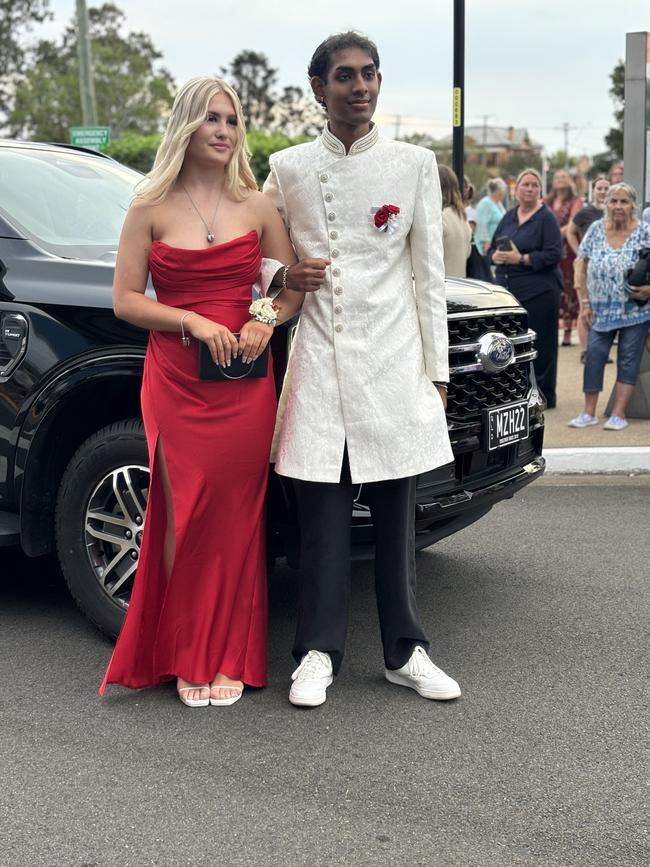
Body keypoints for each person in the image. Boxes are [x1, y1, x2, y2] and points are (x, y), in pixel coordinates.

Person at [99, 75, 311, 707]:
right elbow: (125, 301)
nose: (223, 131)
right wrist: (190, 320)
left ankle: (229, 656)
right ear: (186, 127)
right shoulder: (148, 208)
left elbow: (290, 289)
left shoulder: (258, 206)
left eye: (232, 120)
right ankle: (187, 651)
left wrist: (259, 321)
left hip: (244, 380)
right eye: (211, 119)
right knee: (181, 513)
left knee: (237, 516)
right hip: (174, 379)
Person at [264, 31, 461, 708]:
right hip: (318, 366)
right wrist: (282, 272)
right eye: (345, 76)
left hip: (393, 364)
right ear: (318, 88)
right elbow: (249, 246)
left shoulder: (413, 164)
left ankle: (408, 651)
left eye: (370, 74)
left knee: (398, 518)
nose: (360, 86)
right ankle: (317, 651)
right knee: (322, 520)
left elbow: (429, 278)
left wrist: (437, 372)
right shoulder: (287, 167)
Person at [568, 182, 650, 430]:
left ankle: (618, 414)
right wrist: (584, 302)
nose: (618, 206)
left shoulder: (645, 231)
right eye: (613, 201)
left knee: (628, 360)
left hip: (635, 311)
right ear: (606, 204)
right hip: (600, 310)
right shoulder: (594, 229)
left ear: (633, 205)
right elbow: (580, 265)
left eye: (624, 201)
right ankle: (588, 412)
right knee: (594, 355)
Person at [488, 168, 563, 408]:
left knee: (541, 345)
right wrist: (496, 256)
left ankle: (544, 395)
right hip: (509, 293)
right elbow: (490, 250)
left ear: (540, 191)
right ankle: (516, 394)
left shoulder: (546, 218)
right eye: (525, 184)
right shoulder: (509, 216)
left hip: (540, 291)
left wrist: (521, 259)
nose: (530, 189)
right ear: (516, 189)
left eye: (534, 185)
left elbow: (554, 254)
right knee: (511, 345)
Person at [566, 175, 610, 362]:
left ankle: (601, 351)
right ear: (593, 191)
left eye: (606, 188)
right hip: (586, 265)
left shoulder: (613, 212)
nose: (603, 191)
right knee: (585, 307)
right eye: (599, 188)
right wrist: (579, 253)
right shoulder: (585, 213)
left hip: (606, 266)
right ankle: (585, 351)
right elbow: (570, 231)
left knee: (604, 309)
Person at [545, 169, 584, 347]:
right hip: (548, 248)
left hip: (567, 249)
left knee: (567, 287)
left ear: (570, 181)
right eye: (557, 177)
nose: (560, 179)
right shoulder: (547, 201)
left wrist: (554, 234)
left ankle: (568, 332)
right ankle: (551, 329)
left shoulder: (576, 201)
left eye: (564, 177)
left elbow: (572, 224)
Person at [439, 164, 472, 278]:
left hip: (441, 287)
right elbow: (468, 253)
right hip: (458, 286)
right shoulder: (462, 217)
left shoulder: (440, 218)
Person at [475, 178, 507, 255]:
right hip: (487, 245)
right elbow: (481, 223)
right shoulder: (485, 203)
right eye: (504, 190)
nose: (505, 193)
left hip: (498, 243)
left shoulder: (499, 204)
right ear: (500, 191)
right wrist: (486, 241)